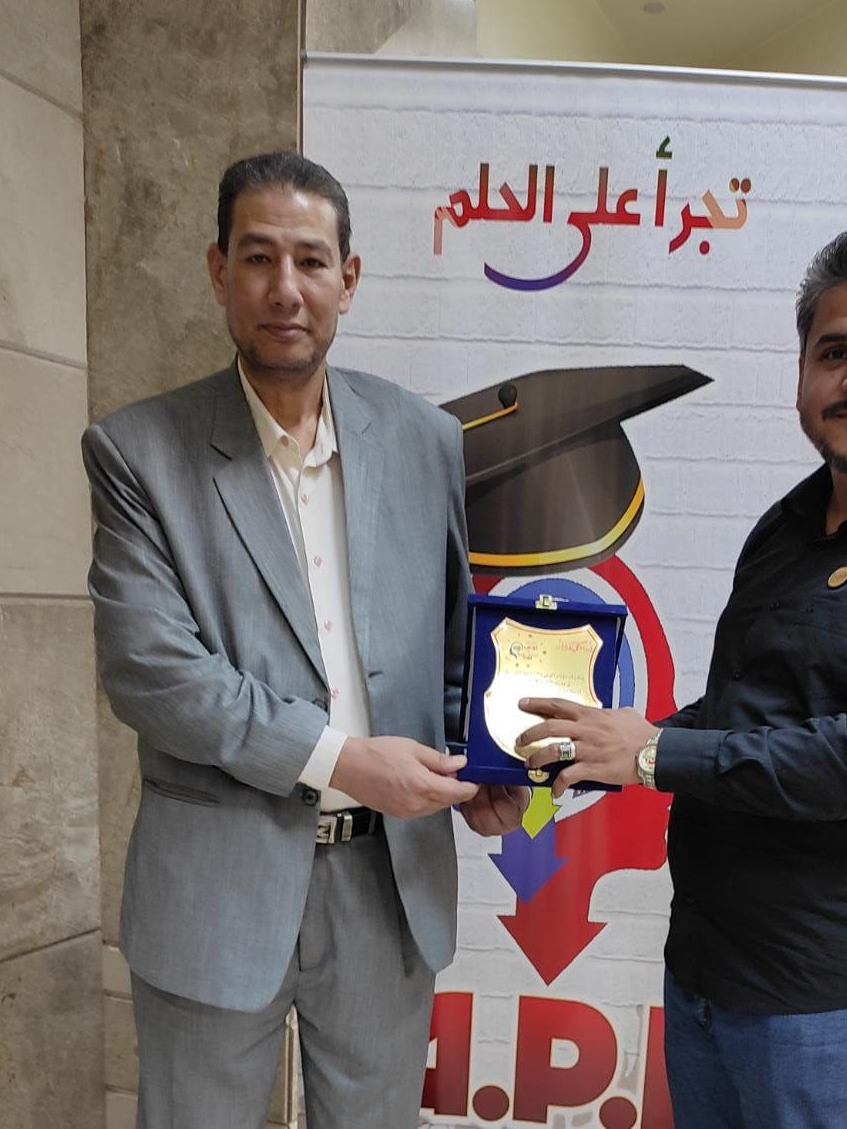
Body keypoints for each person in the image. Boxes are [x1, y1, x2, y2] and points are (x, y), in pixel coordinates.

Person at [518, 224, 847, 1128]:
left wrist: (649, 755)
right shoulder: (786, 528)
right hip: (710, 963)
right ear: (803, 373)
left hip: (835, 995)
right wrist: (583, 747)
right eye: (834, 352)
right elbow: (743, 709)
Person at [82, 151, 527, 1129]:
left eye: (311, 260)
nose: (286, 288)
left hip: (387, 884)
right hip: (214, 892)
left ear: (347, 278)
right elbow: (154, 674)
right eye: (258, 258)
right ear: (218, 271)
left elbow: (452, 647)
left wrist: (487, 764)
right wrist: (341, 760)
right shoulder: (138, 452)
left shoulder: (424, 440)